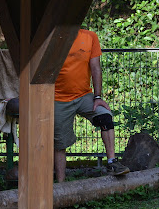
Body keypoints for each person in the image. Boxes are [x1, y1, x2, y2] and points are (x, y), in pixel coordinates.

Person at [53, 29, 129, 183]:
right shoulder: (54, 37)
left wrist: (98, 97)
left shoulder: (90, 36)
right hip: (58, 99)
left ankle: (112, 163)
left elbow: (95, 67)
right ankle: (60, 185)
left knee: (105, 117)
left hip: (84, 96)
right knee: (60, 143)